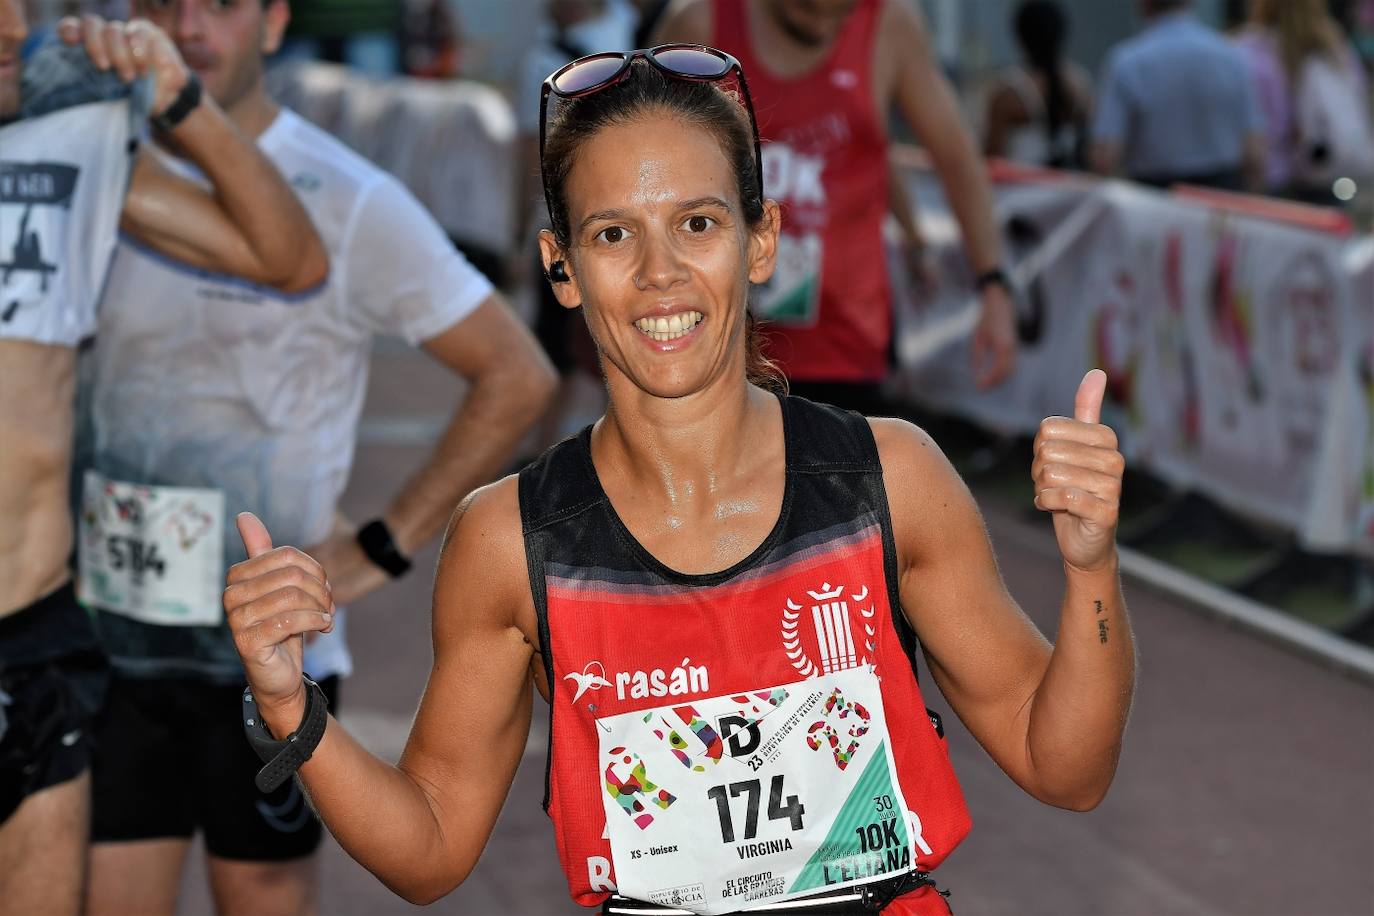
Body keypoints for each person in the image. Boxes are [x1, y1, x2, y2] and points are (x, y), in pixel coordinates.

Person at [223, 49, 1135, 915]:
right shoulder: (514, 539)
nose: (661, 275)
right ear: (563, 269)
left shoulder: (886, 478)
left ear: (761, 240)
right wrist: (290, 707)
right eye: (614, 233)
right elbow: (428, 849)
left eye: (697, 223)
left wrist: (1090, 566)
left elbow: (1068, 770)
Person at [79, 1, 556, 914]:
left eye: (219, 4)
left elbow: (514, 373)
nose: (189, 26)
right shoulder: (99, 170)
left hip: (268, 652)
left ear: (271, 22)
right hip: (113, 639)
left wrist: (379, 547)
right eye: (164, 4)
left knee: (262, 896)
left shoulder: (348, 198)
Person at [0, 7, 327, 915]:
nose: (8, 23)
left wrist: (177, 98)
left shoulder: (70, 135)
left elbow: (288, 256)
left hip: (37, 637)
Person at [653, 0, 1018, 413]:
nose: (824, 25)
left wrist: (994, 285)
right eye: (807, 10)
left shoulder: (888, 24)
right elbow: (640, 161)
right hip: (723, 340)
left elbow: (954, 158)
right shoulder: (700, 23)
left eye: (840, 12)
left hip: (846, 343)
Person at [1090, 0, 1266, 192]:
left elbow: (1106, 155)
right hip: (1221, 196)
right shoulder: (1230, 55)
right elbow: (1254, 149)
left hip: (1154, 198)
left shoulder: (1127, 62)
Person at [1235, 0, 1373, 201]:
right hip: (1326, 171)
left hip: (1274, 178)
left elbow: (1255, 127)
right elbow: (1358, 92)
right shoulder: (1333, 44)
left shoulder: (1249, 50)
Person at [982, 0, 1093, 170]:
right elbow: (1089, 148)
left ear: (1021, 36)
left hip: (1020, 191)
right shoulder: (1080, 84)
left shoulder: (1009, 92)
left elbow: (992, 159)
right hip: (1070, 189)